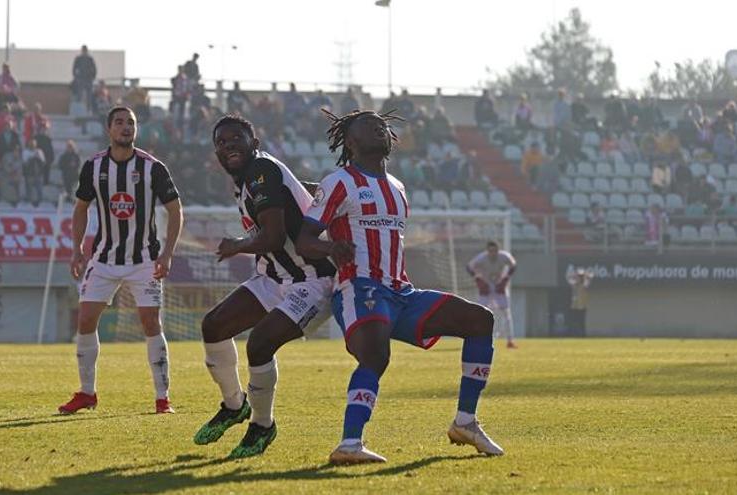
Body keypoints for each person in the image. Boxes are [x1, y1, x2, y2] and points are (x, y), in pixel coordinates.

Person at [296, 109, 503, 464]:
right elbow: (304, 238)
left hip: (402, 293)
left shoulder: (398, 187)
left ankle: (465, 422)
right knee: (376, 355)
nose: (380, 128)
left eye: (383, 126)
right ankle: (349, 445)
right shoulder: (339, 182)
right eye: (369, 126)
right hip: (360, 289)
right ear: (351, 141)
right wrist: (331, 247)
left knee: (480, 320)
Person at [191, 115, 336, 458]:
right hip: (273, 277)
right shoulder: (253, 177)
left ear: (254, 142)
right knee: (213, 326)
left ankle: (262, 426)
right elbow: (291, 195)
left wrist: (236, 245)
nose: (229, 146)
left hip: (311, 280)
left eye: (236, 139)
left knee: (260, 344)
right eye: (222, 143)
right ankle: (234, 405)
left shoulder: (260, 171)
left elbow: (272, 235)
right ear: (217, 153)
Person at [58, 106, 183, 415]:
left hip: (145, 260)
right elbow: (80, 209)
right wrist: (77, 250)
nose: (126, 127)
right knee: (85, 320)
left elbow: (176, 209)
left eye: (131, 123)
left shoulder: (153, 168)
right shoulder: (94, 167)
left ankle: (162, 398)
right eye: (119, 122)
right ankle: (87, 393)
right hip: (103, 258)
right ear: (108, 129)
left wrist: (167, 253)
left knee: (150, 323)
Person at [466, 241, 518, 349]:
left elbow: (513, 265)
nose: (493, 253)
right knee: (480, 313)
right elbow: (469, 267)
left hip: (500, 285)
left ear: (498, 250)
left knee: (506, 313)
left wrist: (506, 278)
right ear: (487, 251)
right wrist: (478, 279)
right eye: (490, 251)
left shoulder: (504, 256)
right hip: (486, 286)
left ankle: (510, 340)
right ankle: (476, 339)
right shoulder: (481, 258)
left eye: (495, 251)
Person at [566, 268, 592, 336]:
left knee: (581, 323)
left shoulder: (584, 285)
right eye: (578, 276)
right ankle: (574, 335)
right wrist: (573, 274)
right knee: (574, 322)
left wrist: (585, 275)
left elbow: (588, 281)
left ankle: (582, 336)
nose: (579, 278)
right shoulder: (574, 284)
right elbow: (568, 279)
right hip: (574, 307)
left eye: (580, 276)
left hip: (582, 307)